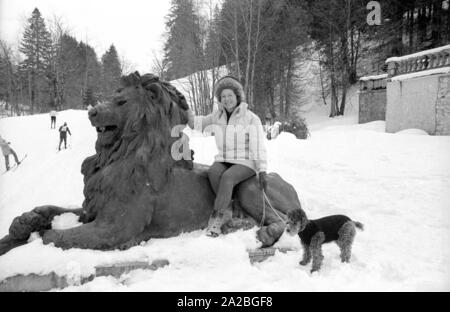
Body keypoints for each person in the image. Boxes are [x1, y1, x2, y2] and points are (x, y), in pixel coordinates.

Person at [187, 76, 268, 237]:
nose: (226, 99)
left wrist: (262, 170)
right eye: (223, 96)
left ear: (237, 96)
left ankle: (216, 220)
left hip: (246, 161)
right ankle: (229, 207)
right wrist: (185, 110)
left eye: (230, 95)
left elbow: (258, 145)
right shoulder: (217, 116)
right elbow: (198, 123)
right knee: (213, 172)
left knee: (228, 178)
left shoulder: (250, 118)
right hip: (224, 158)